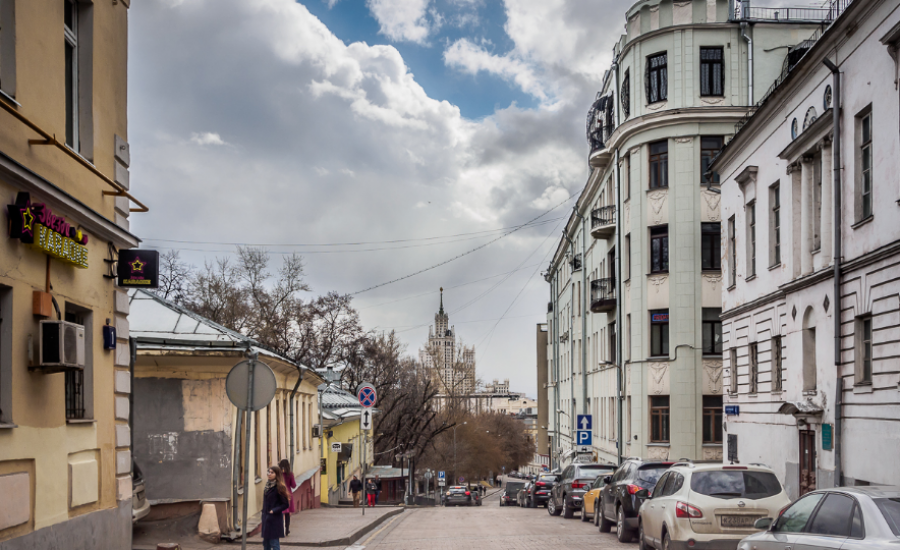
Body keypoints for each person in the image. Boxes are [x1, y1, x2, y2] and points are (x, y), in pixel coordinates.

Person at [261, 465, 291, 550]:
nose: (269, 474)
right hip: (266, 519)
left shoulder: (279, 487)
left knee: (274, 543)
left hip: (274, 520)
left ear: (277, 474)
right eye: (268, 472)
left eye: (272, 472)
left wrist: (273, 511)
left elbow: (285, 504)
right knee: (266, 544)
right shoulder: (267, 486)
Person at [278, 459, 297, 536]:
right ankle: (287, 530)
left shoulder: (278, 475)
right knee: (287, 513)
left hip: (279, 494)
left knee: (280, 513)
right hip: (288, 495)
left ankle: (280, 529)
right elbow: (294, 485)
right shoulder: (290, 474)